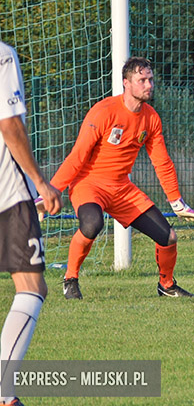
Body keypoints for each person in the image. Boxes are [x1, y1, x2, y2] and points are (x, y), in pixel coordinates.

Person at [49, 57, 194, 300]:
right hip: (89, 184)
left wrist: (176, 201)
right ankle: (70, 279)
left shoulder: (151, 118)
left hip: (122, 188)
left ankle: (167, 285)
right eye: (142, 80)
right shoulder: (103, 112)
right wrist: (52, 190)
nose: (148, 85)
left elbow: (161, 161)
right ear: (126, 83)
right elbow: (77, 156)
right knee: (92, 225)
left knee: (169, 237)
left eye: (150, 79)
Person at [0, 40, 63, 406]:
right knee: (32, 288)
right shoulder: (3, 54)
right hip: (7, 194)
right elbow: (9, 125)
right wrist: (40, 181)